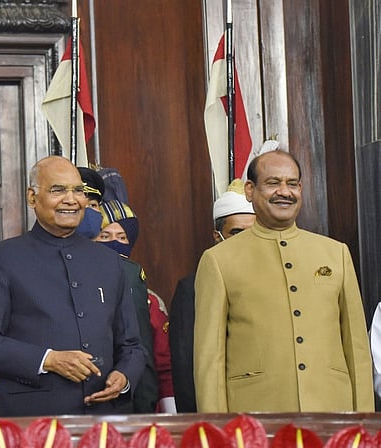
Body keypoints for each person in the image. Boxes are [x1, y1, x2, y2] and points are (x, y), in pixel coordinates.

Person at [0, 155, 145, 417]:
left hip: (101, 421)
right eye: (58, 190)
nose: (71, 199)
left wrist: (124, 376)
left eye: (78, 191)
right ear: (32, 198)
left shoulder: (108, 261)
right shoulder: (3, 258)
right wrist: (49, 360)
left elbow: (132, 345)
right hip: (31, 421)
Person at [194, 150, 373, 412]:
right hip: (255, 418)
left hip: (332, 412)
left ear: (301, 189)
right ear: (250, 190)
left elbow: (357, 351)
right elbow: (209, 359)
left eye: (292, 184)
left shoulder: (336, 254)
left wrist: (364, 423)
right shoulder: (218, 260)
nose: (284, 192)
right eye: (273, 183)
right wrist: (217, 432)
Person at [169, 179, 255, 412]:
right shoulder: (192, 288)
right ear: (217, 236)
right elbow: (187, 367)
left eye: (253, 232)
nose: (245, 241)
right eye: (236, 232)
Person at [96, 200, 168, 413]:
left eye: (121, 238)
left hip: (126, 400)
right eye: (105, 237)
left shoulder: (148, 297)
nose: (114, 244)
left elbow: (149, 356)